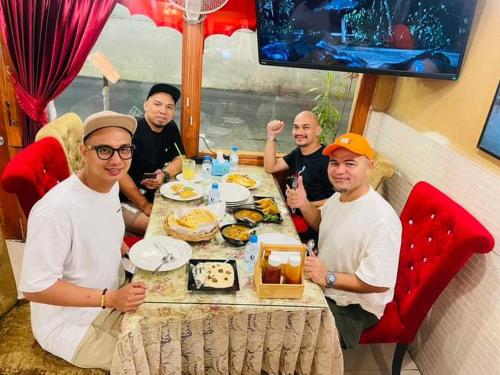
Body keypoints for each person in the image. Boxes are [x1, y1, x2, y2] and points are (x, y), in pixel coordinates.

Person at [20, 111, 147, 370]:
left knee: (175, 332)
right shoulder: (55, 210)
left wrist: (131, 259)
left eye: (124, 149)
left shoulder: (107, 183)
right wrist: (109, 299)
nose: (116, 160)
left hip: (114, 292)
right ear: (84, 151)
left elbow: (108, 226)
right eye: (104, 150)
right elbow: (35, 288)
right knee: (152, 360)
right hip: (71, 325)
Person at [287, 133, 402, 349]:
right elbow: (321, 223)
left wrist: (326, 277)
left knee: (291, 340)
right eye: (334, 163)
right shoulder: (339, 197)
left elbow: (377, 283)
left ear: (369, 166)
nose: (340, 171)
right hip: (324, 285)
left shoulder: (382, 219)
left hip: (355, 306)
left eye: (350, 163)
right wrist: (303, 204)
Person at [120, 83, 186, 235]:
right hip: (123, 201)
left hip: (155, 195)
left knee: (187, 218)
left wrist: (165, 174)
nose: (163, 111)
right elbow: (119, 175)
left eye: (169, 107)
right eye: (157, 104)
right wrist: (144, 205)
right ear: (145, 105)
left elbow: (181, 158)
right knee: (164, 230)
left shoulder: (170, 127)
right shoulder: (131, 129)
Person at [264, 110, 334, 241]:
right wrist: (271, 136)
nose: (299, 132)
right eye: (296, 127)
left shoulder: (326, 160)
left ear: (318, 131)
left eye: (306, 127)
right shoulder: (298, 153)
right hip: (291, 215)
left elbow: (337, 199)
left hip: (311, 227)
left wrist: (304, 203)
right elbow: (270, 167)